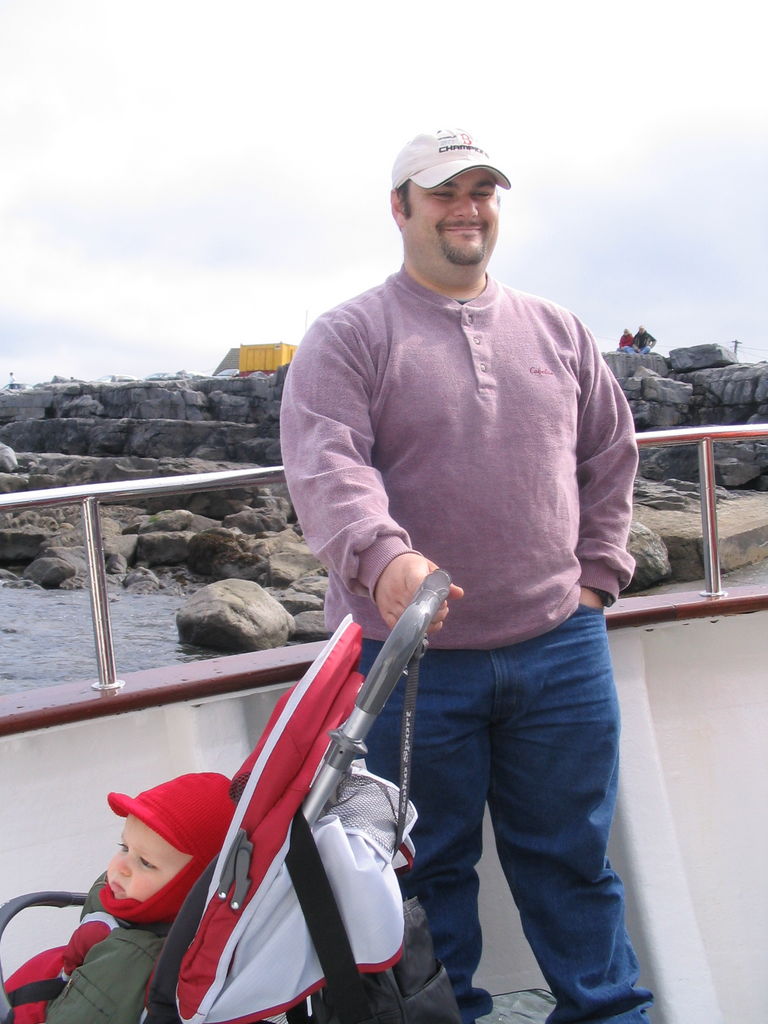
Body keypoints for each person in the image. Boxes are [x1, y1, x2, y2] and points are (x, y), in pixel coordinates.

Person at [279, 127, 653, 1023]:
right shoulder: (348, 335)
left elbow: (610, 455)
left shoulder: (559, 329)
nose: (467, 208)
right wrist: (386, 559)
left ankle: (610, 1013)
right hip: (408, 665)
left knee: (574, 861)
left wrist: (596, 583)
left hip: (561, 650)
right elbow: (327, 467)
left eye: (482, 190)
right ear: (400, 207)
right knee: (424, 874)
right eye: (444, 191)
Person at [6, 772, 235, 1023]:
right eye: (124, 847)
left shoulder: (129, 962)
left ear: (193, 887)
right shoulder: (131, 903)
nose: (120, 867)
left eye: (145, 862)